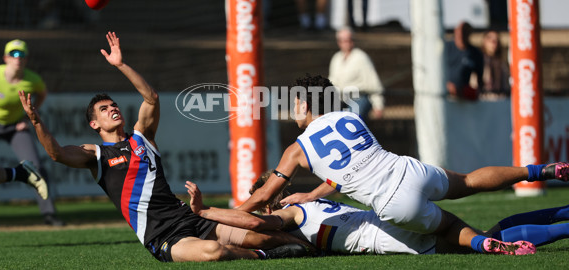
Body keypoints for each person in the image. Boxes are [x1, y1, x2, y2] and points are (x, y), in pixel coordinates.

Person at [19, 32, 311, 262]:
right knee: (214, 253)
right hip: (161, 236)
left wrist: (121, 65)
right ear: (94, 124)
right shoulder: (96, 154)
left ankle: (315, 245)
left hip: (190, 217)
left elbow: (151, 98)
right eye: (105, 109)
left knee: (258, 234)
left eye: (114, 105)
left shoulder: (141, 137)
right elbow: (56, 153)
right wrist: (35, 120)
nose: (113, 109)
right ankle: (264, 257)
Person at [234, 74, 569, 255]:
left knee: (457, 231)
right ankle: (541, 171)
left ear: (305, 104)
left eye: (294, 103)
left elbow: (266, 196)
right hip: (409, 170)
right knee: (467, 181)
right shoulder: (350, 116)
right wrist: (310, 195)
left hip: (393, 204)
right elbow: (346, 170)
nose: (291, 109)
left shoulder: (297, 149)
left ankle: (485, 244)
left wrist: (239, 208)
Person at [187, 172, 569, 255]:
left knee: (480, 241)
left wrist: (206, 211)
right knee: (485, 230)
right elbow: (335, 181)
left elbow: (253, 223)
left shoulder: (292, 216)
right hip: (386, 218)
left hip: (387, 237)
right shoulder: (307, 202)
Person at [0, 39, 63, 226]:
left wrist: (26, 118)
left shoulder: (32, 79)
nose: (17, 58)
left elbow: (42, 93)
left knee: (36, 167)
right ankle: (19, 173)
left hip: (15, 127)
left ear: (26, 59)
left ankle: (49, 215)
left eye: (21, 55)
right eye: (13, 54)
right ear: (5, 57)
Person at [329, 27, 384, 122]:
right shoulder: (336, 58)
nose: (348, 43)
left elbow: (373, 83)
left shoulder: (361, 57)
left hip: (359, 98)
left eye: (350, 39)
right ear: (339, 42)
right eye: (344, 40)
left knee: (351, 122)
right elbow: (332, 82)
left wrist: (378, 104)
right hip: (340, 99)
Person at [446, 21, 484, 101]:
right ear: (455, 32)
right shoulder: (446, 48)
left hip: (463, 97)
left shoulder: (475, 54)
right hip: (445, 95)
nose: (461, 36)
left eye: (464, 33)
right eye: (459, 33)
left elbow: (479, 80)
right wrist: (447, 85)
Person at [480, 30, 510, 98]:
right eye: (490, 38)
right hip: (484, 100)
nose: (493, 42)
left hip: (501, 100)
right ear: (484, 41)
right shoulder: (479, 61)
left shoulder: (502, 64)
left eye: (496, 40)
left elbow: (506, 84)